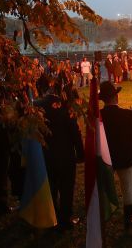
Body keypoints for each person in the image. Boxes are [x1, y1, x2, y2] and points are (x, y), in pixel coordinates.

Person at [99, 80, 132, 230]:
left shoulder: (99, 116)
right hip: (125, 158)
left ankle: (104, 214)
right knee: (127, 188)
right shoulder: (127, 114)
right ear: (116, 97)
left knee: (104, 188)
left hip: (106, 159)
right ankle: (128, 218)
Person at [38, 87, 84, 230]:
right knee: (66, 188)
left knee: (52, 186)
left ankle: (53, 216)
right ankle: (64, 218)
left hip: (47, 155)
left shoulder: (40, 110)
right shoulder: (66, 111)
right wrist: (81, 154)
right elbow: (75, 134)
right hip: (66, 157)